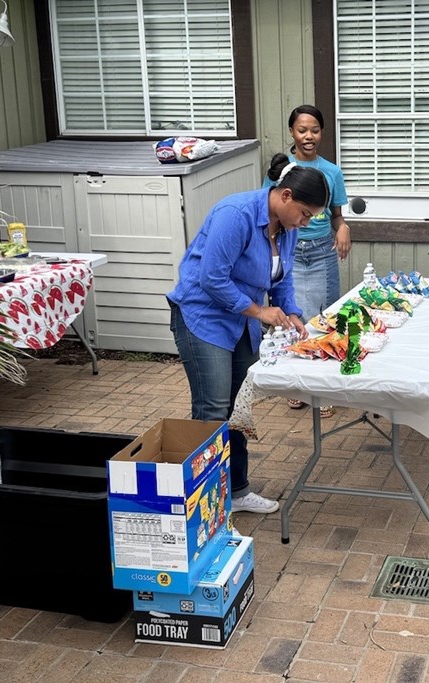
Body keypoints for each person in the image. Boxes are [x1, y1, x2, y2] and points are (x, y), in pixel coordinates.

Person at [166, 154, 329, 514]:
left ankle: (236, 492)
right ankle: (203, 503)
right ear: (284, 196)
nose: (307, 222)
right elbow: (212, 278)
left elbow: (282, 279)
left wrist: (291, 313)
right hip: (202, 317)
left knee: (239, 408)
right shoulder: (236, 214)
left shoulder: (287, 228)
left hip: (240, 322)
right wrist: (259, 311)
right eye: (305, 213)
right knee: (213, 409)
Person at [264, 104, 350, 416]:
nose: (308, 136)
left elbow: (337, 217)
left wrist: (343, 228)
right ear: (292, 132)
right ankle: (298, 385)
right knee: (293, 319)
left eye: (314, 130)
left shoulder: (332, 171)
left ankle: (322, 387)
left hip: (321, 250)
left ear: (322, 133)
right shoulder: (280, 171)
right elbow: (269, 211)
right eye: (302, 130)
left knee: (325, 318)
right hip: (290, 251)